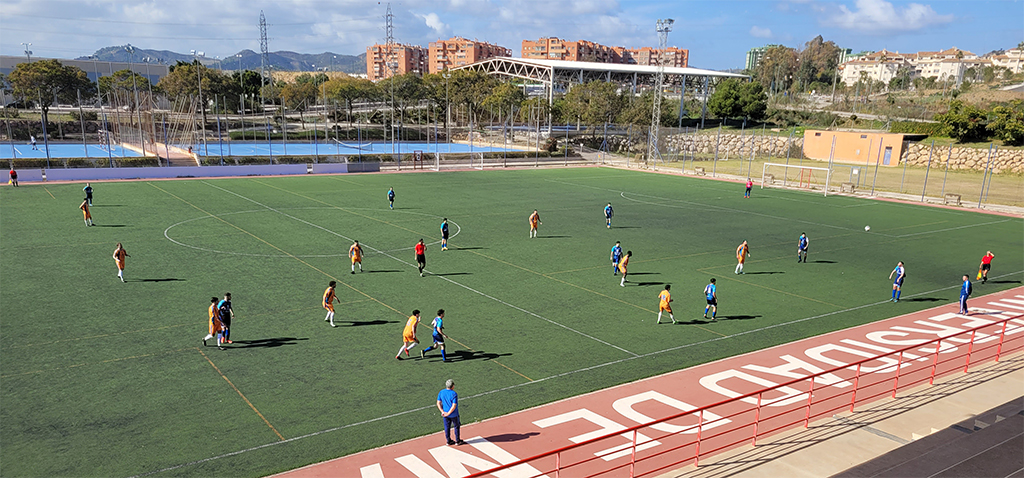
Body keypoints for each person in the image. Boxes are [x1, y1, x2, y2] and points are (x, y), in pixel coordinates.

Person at [437, 379, 465, 446]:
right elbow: (454, 405)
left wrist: (443, 412)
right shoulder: (454, 394)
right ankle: (457, 440)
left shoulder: (441, 392)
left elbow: (438, 403)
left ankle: (448, 440)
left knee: (447, 427)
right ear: (452, 386)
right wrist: (449, 413)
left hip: (445, 415)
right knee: (456, 426)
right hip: (454, 414)